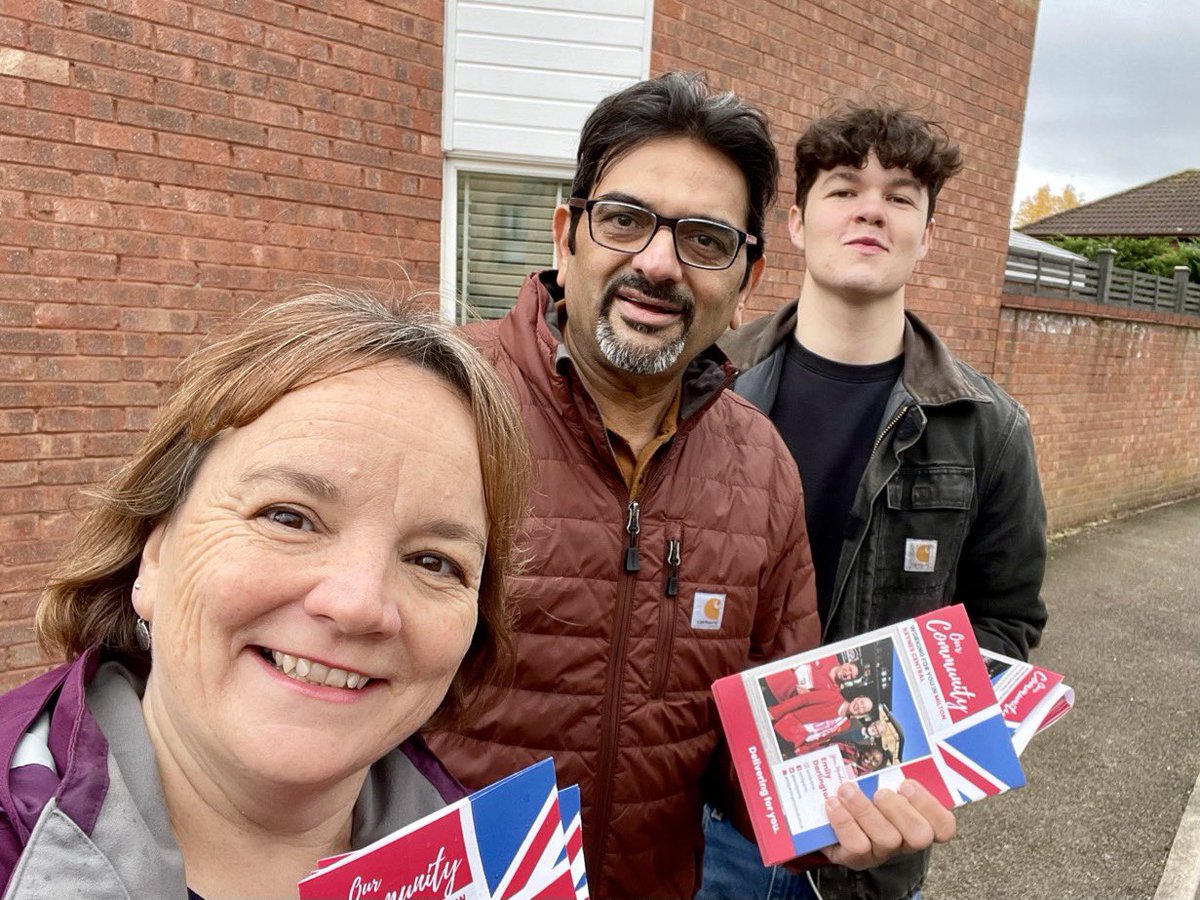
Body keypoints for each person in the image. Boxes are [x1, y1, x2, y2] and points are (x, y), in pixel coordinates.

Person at [428, 73, 953, 899]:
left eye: (705, 239)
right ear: (567, 235)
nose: (659, 263)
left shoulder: (760, 464)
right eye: (625, 220)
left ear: (747, 275)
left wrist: (839, 821)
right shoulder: (437, 400)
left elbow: (762, 759)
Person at [0, 290, 531, 898]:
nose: (359, 603)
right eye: (289, 517)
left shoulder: (503, 871)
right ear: (154, 550)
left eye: (433, 561)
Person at [703, 102, 1050, 900]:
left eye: (900, 196)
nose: (870, 207)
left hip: (872, 846)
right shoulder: (703, 386)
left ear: (927, 236)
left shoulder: (988, 430)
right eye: (844, 189)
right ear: (794, 221)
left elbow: (1004, 624)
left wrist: (901, 761)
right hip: (708, 824)